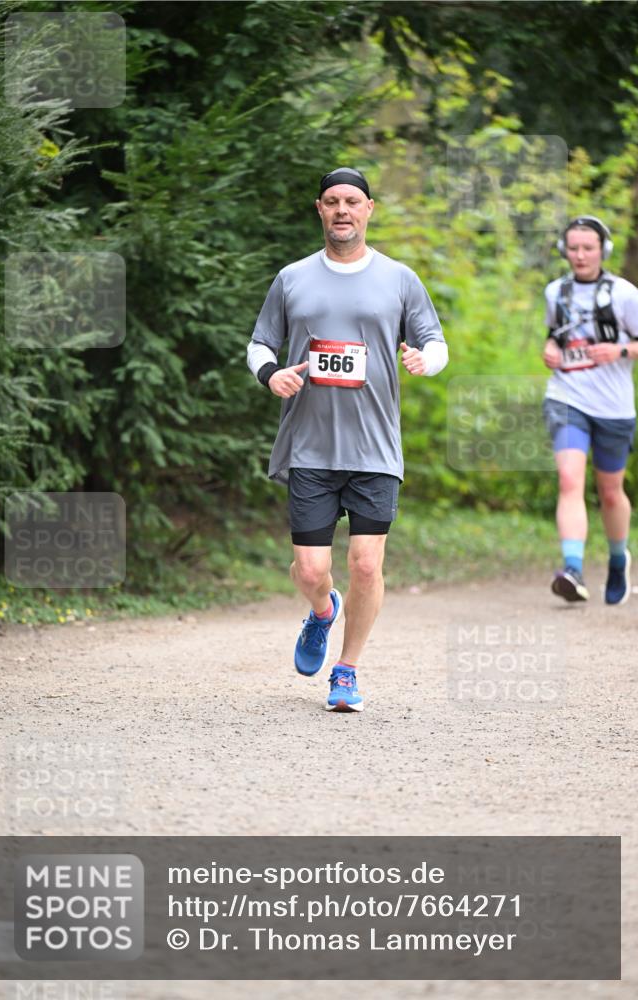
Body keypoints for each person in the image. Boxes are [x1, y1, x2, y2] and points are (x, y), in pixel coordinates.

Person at [246, 167, 448, 712]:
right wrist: (272, 376)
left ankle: (347, 670)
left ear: (368, 209)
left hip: (376, 448)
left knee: (364, 564)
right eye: (332, 201)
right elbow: (260, 344)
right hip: (310, 445)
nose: (342, 210)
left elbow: (435, 340)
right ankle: (320, 611)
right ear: (319, 209)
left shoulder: (399, 278)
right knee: (312, 570)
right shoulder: (292, 278)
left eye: (351, 201)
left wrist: (424, 359)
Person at [542, 214, 638, 605]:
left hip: (614, 406)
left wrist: (619, 350)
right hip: (567, 398)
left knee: (610, 491)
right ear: (564, 249)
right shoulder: (556, 292)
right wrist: (550, 349)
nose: (580, 255)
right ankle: (573, 569)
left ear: (604, 250)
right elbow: (555, 335)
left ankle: (618, 559)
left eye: (588, 248)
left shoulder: (625, 295)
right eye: (573, 247)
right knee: (569, 480)